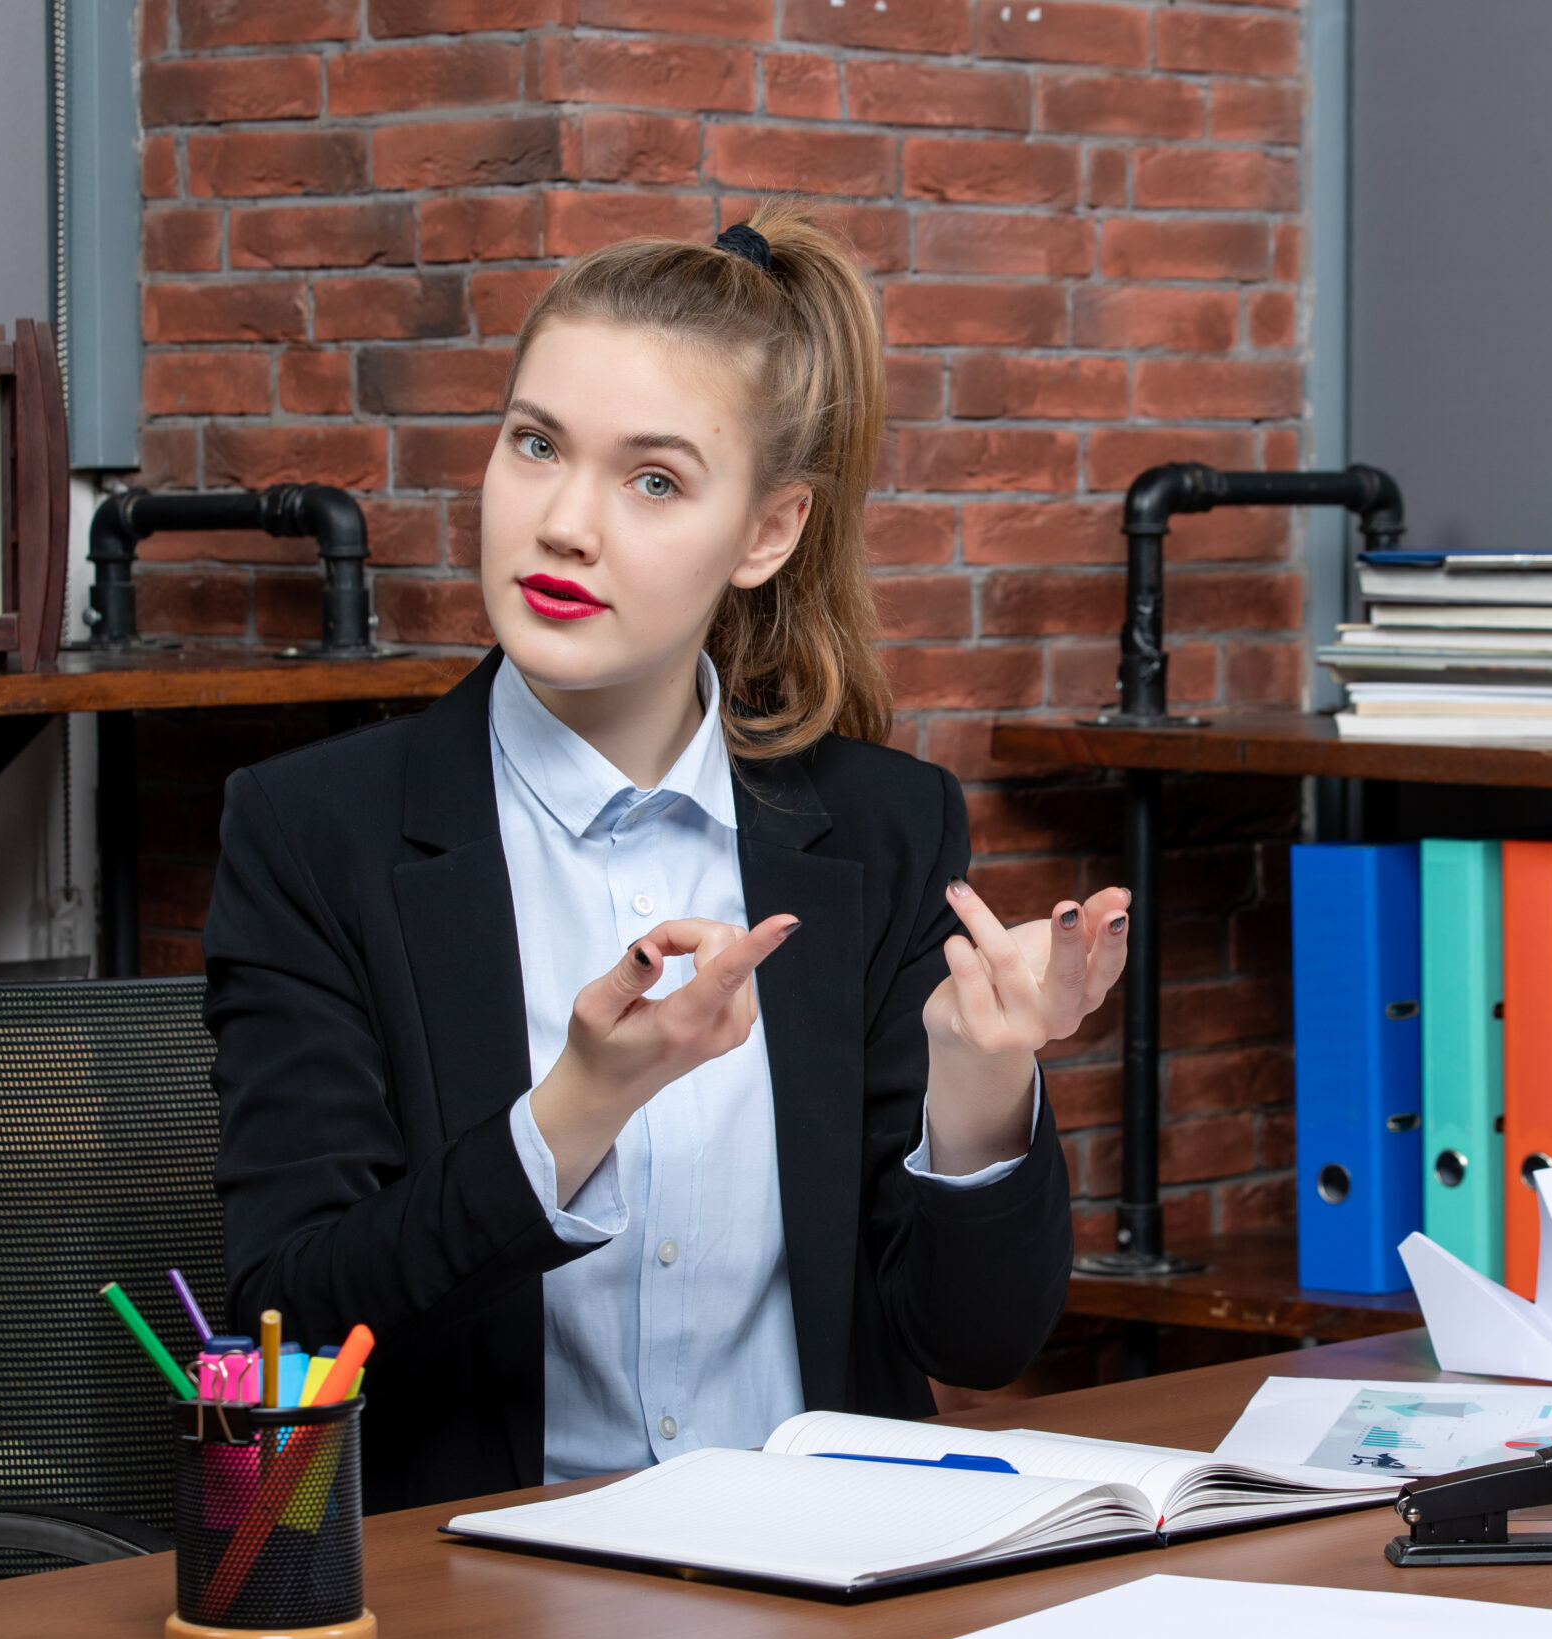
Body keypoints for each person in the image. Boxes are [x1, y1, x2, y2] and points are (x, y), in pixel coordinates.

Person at [204, 206, 1126, 1513]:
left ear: (765, 533)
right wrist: (572, 1108)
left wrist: (982, 1083)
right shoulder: (316, 835)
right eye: (536, 446)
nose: (566, 524)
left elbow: (973, 1344)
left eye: (654, 480)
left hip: (824, 1594)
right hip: (482, 1609)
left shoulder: (882, 829)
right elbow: (284, 1324)